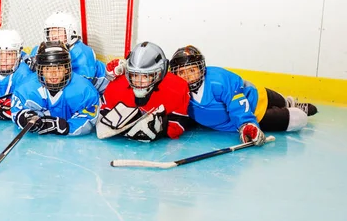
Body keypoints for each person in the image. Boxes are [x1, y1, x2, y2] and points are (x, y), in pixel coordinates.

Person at [169, 45, 318, 146]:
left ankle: (289, 103)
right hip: (249, 119)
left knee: (286, 104)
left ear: (201, 69)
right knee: (297, 118)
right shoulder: (178, 92)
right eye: (181, 72)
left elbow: (237, 105)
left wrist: (247, 125)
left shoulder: (218, 81)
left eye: (191, 70)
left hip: (255, 99)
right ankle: (292, 108)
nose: (187, 76)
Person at [96, 41, 191, 142]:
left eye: (145, 76)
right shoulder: (117, 85)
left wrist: (162, 129)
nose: (138, 81)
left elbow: (179, 123)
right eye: (134, 75)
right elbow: (102, 122)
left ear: (160, 74)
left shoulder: (177, 88)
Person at [11, 41, 100, 136]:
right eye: (47, 69)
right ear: (40, 70)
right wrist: (25, 118)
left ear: (66, 69)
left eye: (58, 68)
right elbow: (17, 112)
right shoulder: (26, 88)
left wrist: (65, 127)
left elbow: (89, 119)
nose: (53, 74)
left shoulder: (84, 90)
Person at [28, 11, 108, 93]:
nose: (54, 36)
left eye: (58, 31)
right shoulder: (40, 50)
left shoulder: (82, 54)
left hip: (103, 90)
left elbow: (78, 88)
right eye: (51, 31)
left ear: (72, 32)